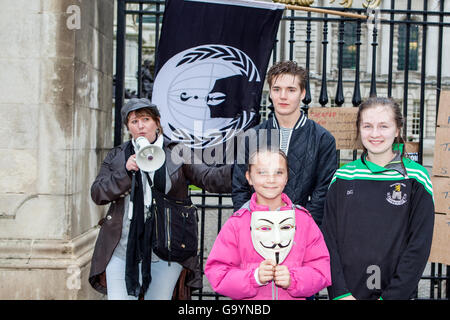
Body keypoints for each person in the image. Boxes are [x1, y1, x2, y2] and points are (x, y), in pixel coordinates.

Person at [88, 98, 232, 300]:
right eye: (133, 122)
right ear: (128, 127)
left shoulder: (176, 152)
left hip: (166, 253)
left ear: (156, 122)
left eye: (145, 119)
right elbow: (98, 193)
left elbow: (209, 178)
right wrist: (125, 172)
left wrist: (244, 169)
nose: (140, 126)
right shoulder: (118, 156)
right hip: (122, 251)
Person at [321, 97, 435, 300]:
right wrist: (340, 293)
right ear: (359, 129)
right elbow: (328, 239)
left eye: (384, 126)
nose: (375, 134)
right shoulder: (343, 177)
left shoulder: (416, 178)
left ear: (397, 129)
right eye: (367, 126)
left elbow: (418, 246)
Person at [205, 148, 331, 300]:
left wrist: (294, 279)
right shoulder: (236, 224)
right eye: (262, 172)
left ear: (286, 178)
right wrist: (254, 277)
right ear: (249, 177)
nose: (271, 179)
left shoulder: (304, 221)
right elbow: (218, 273)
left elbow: (321, 270)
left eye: (278, 172)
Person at [232, 60, 337, 226]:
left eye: (291, 90)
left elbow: (323, 192)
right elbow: (240, 187)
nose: (283, 96)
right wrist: (250, 224)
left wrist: (302, 226)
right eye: (277, 89)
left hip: (302, 230)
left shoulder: (323, 139)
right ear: (271, 93)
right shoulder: (251, 137)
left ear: (302, 93)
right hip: (258, 226)